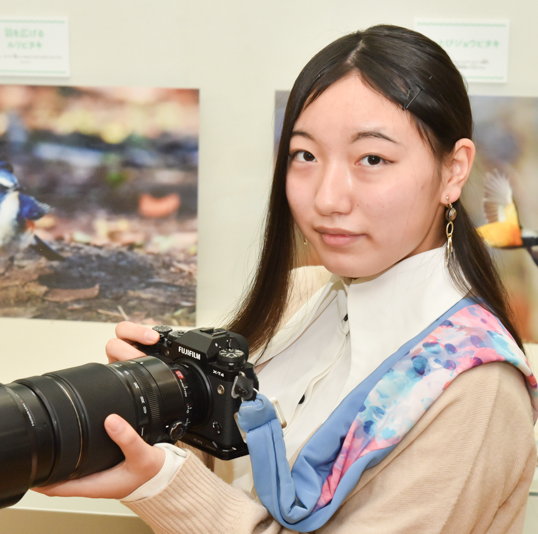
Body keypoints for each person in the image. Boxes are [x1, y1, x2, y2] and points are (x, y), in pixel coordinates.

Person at [35, 25, 538, 533]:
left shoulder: (476, 386)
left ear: (454, 171)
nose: (327, 198)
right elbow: (235, 473)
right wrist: (167, 407)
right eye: (306, 155)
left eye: (372, 159)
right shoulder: (303, 296)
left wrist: (166, 484)